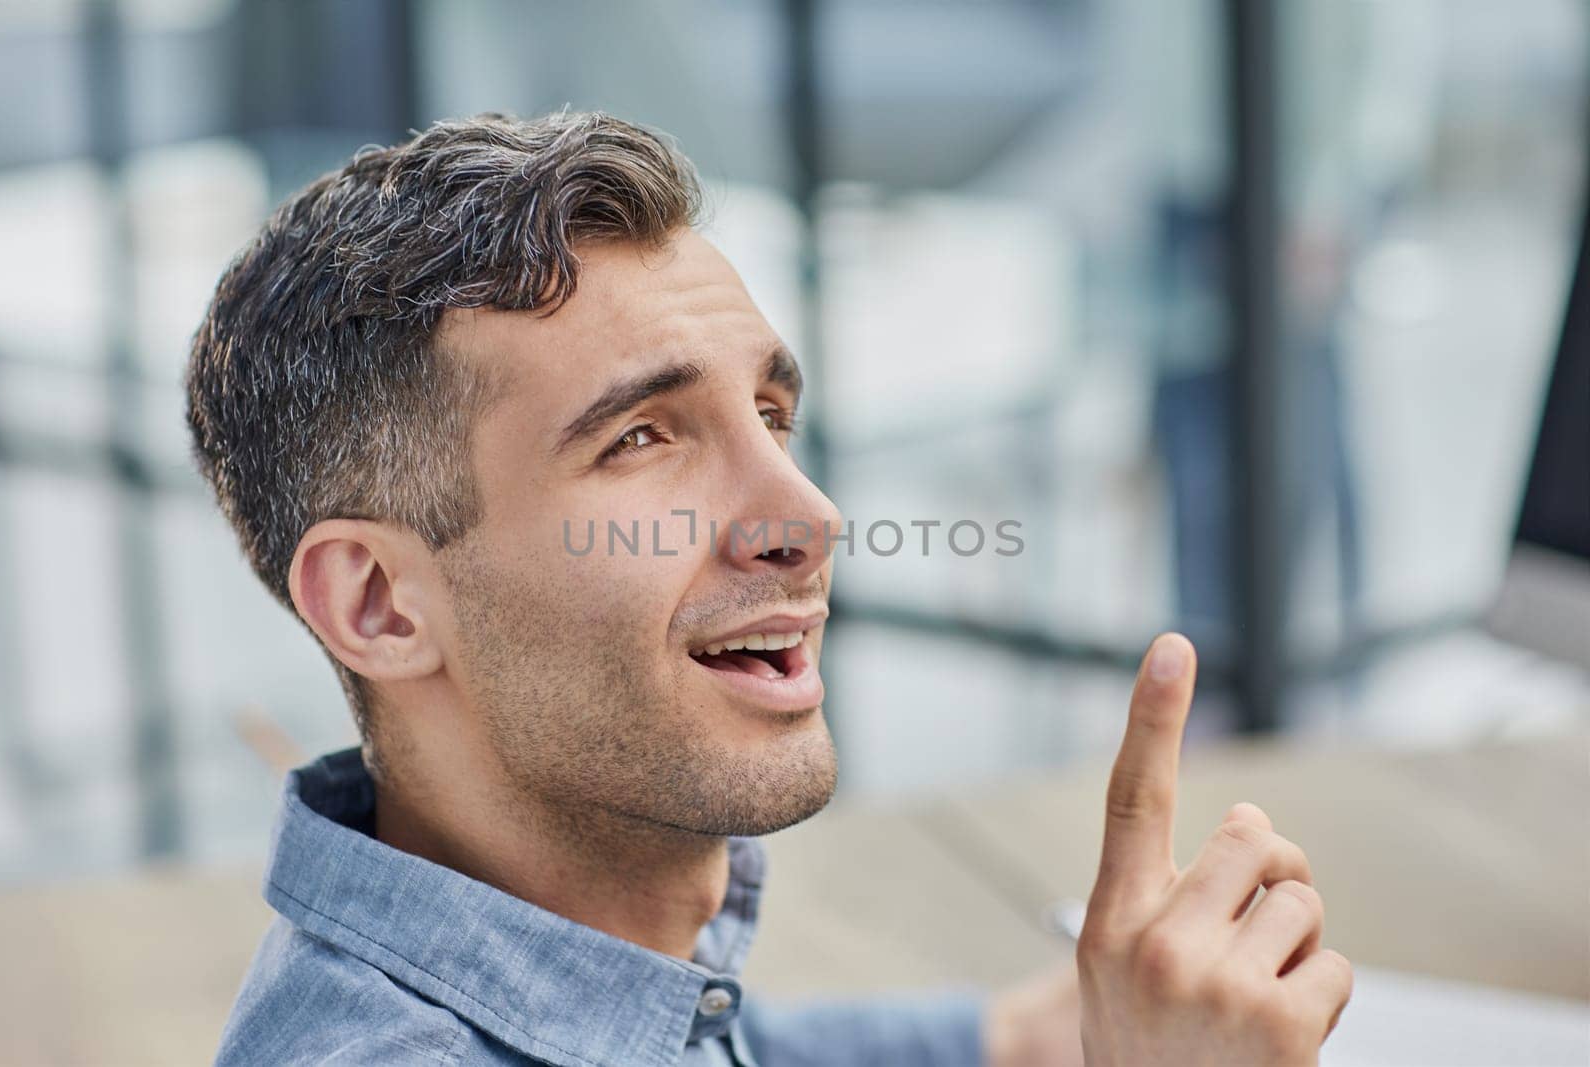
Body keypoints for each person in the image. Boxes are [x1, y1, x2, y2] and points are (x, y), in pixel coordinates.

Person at [188, 111, 1352, 1066]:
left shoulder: (585, 953)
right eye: (641, 438)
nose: (808, 516)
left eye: (770, 414)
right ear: (381, 603)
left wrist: (1024, 1035)